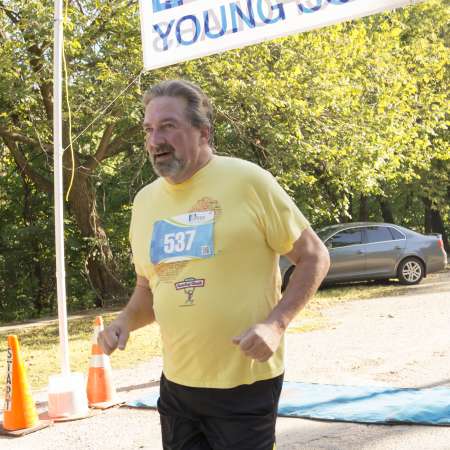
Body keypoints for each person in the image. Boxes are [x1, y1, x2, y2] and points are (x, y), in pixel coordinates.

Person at [98, 79, 330, 450]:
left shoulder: (249, 181)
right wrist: (124, 321)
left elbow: (314, 256)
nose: (155, 140)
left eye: (169, 126)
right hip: (178, 387)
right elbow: (148, 287)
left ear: (203, 132)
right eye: (149, 129)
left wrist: (275, 324)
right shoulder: (144, 204)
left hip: (244, 384)